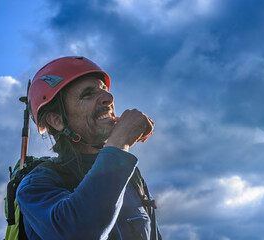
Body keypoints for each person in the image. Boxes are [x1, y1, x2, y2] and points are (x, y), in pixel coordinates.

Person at [16, 56, 162, 239]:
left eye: (104, 91)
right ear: (57, 120)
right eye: (88, 94)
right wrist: (119, 143)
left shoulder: (130, 176)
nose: (109, 98)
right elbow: (80, 232)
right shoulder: (35, 186)